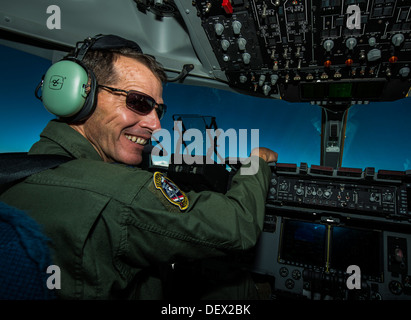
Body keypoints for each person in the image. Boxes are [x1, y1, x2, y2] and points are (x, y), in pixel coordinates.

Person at [0, 34, 278, 299]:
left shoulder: (17, 172)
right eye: (138, 102)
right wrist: (256, 163)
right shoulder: (121, 193)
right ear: (82, 96)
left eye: (159, 110)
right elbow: (237, 226)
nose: (156, 125)